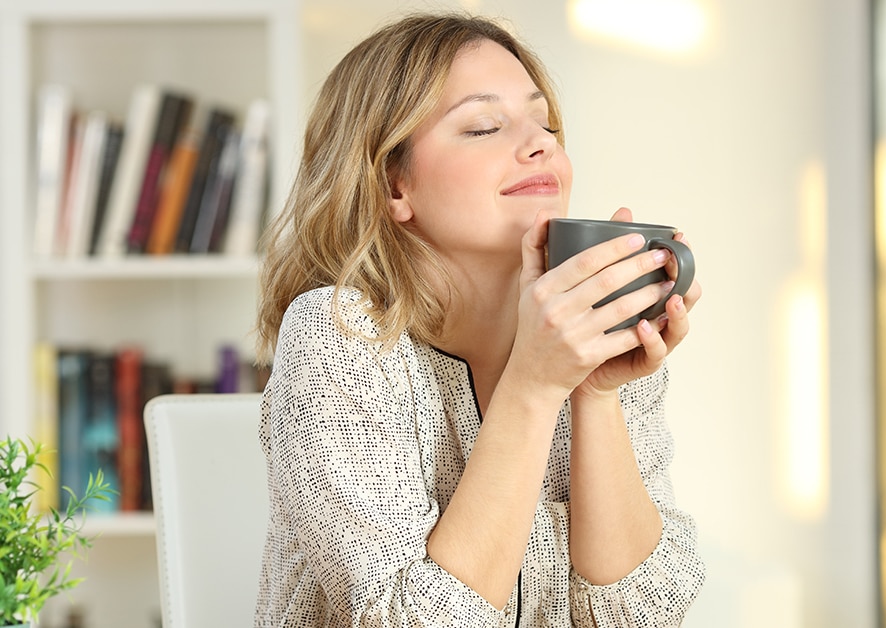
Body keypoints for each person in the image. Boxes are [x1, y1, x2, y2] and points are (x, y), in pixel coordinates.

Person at [252, 12, 705, 627]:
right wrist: (536, 384)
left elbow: (637, 616)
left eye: (544, 123)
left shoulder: (592, 335)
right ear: (394, 185)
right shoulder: (337, 338)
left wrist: (595, 394)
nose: (540, 143)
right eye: (484, 126)